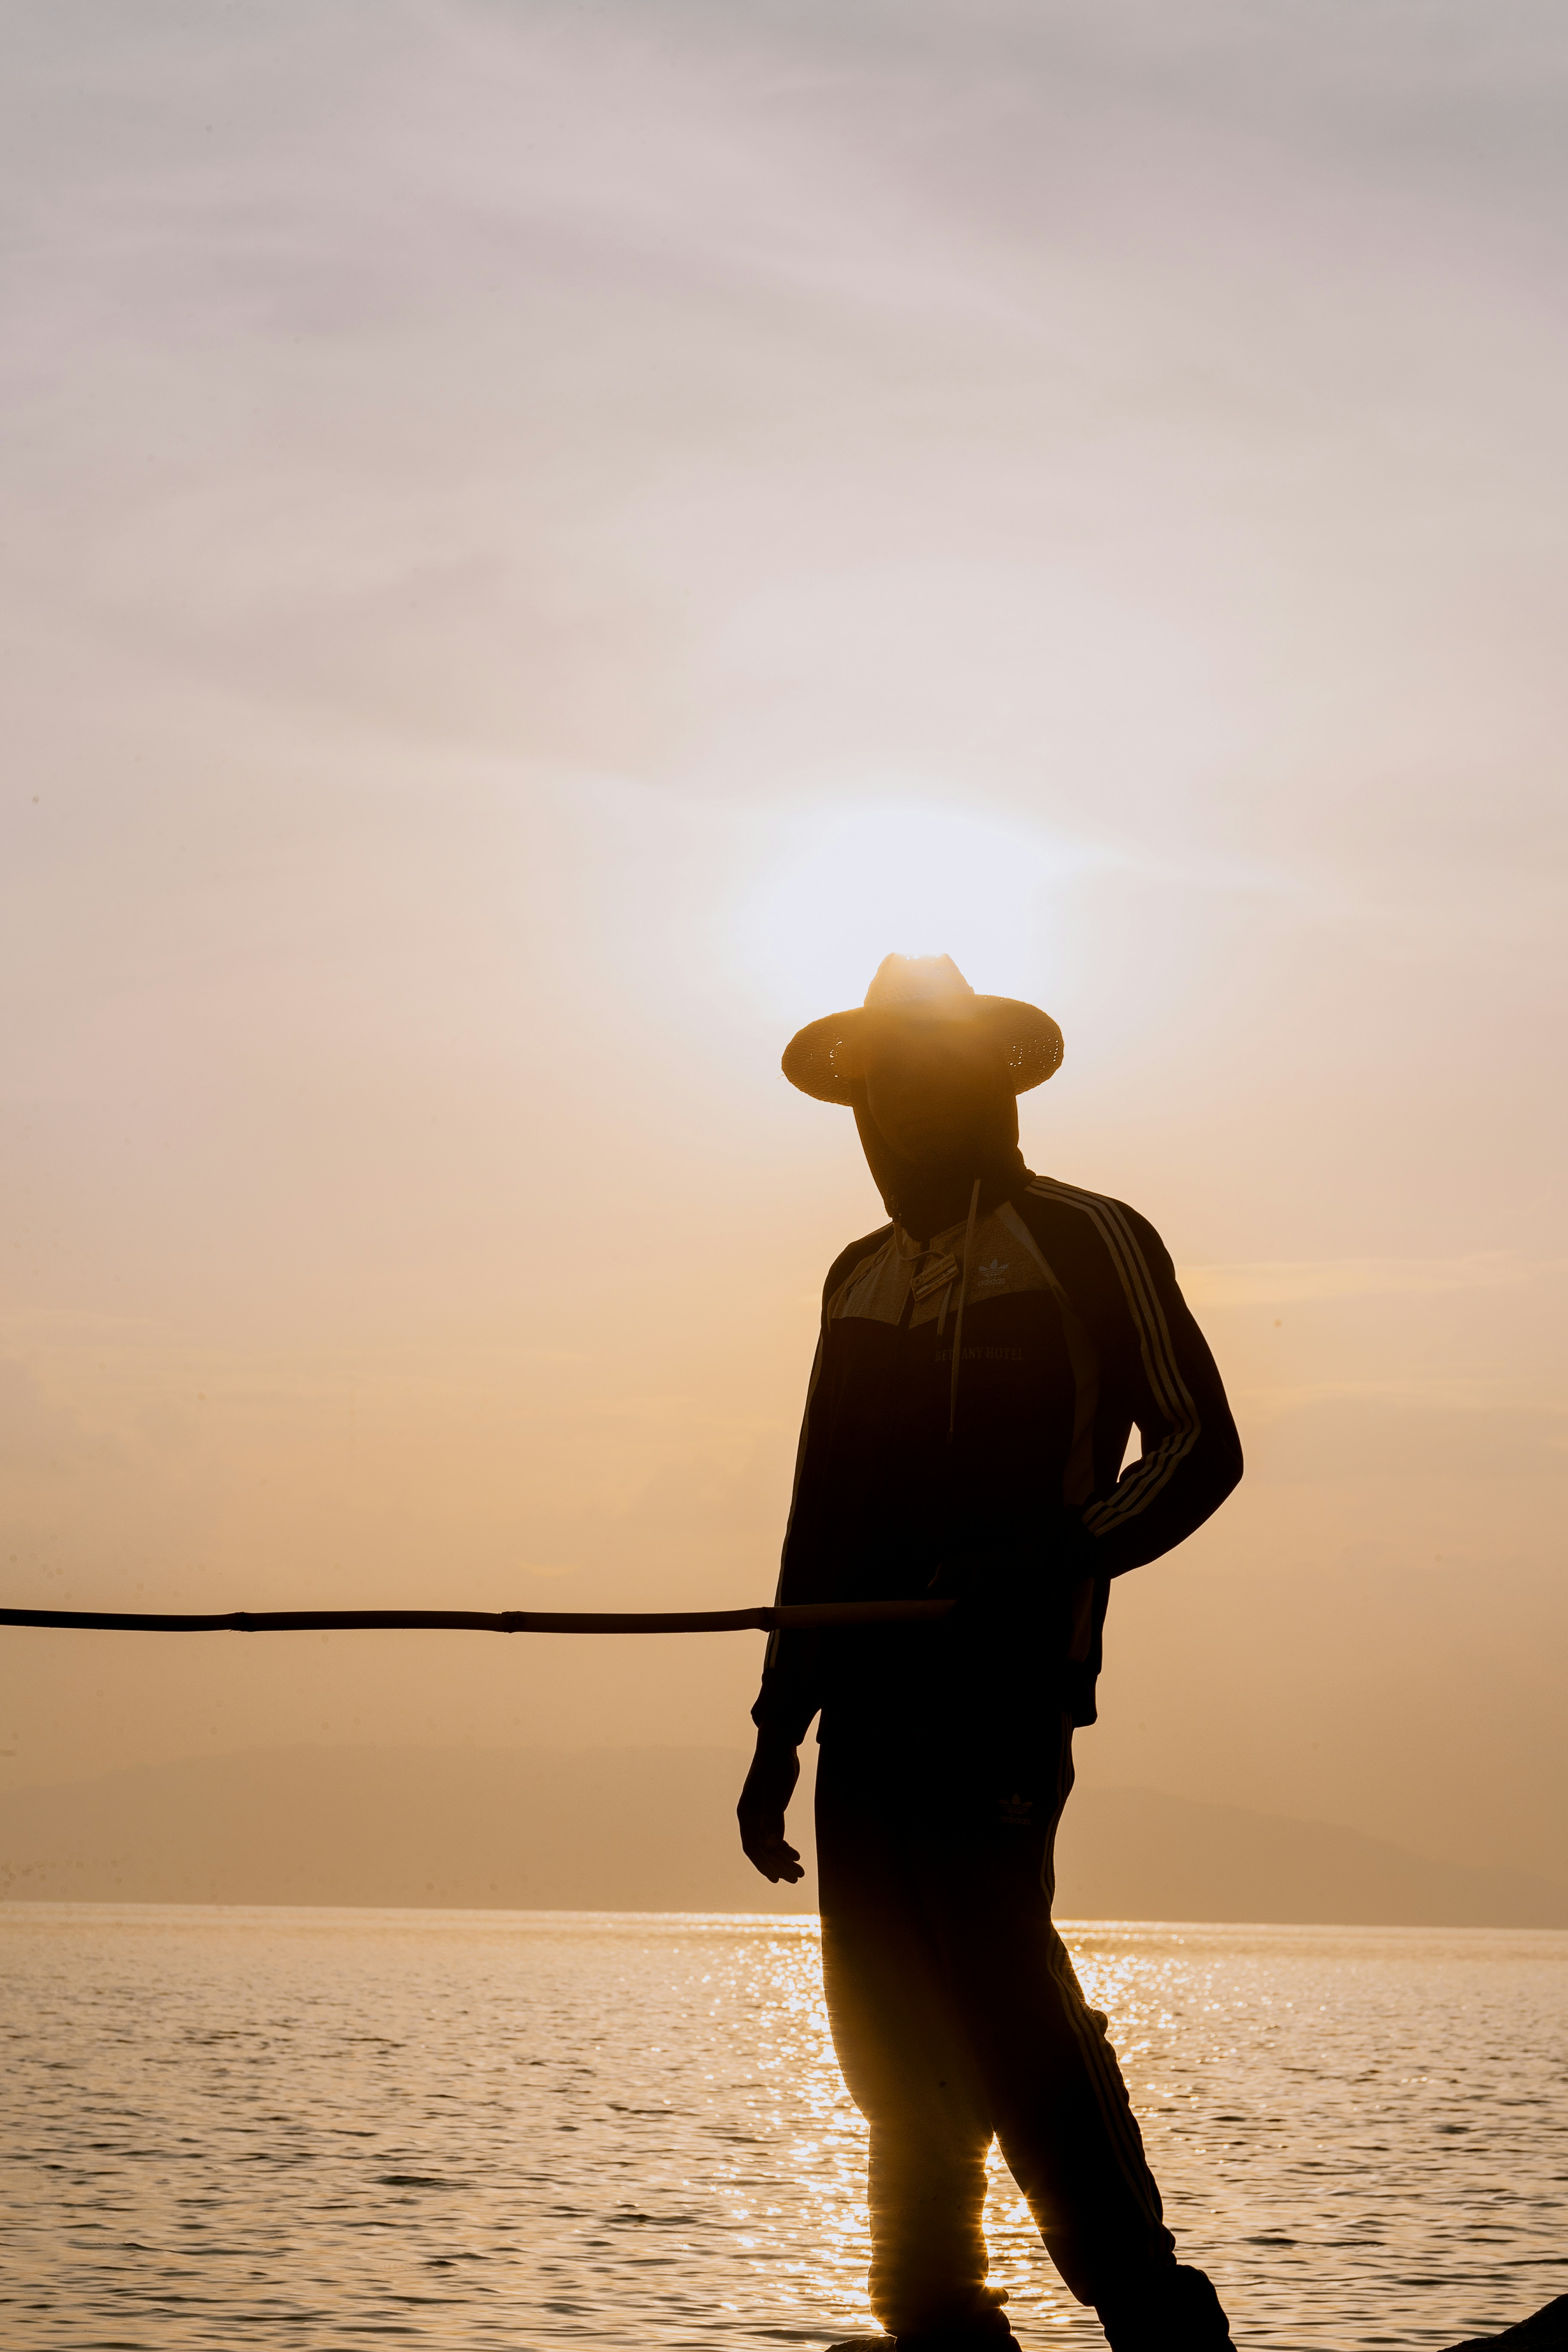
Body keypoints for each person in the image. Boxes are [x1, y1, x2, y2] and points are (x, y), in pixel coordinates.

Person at [737, 953, 1244, 2352]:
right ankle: (937, 2319)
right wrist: (780, 1727)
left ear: (985, 1087)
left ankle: (1150, 2309)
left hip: (1005, 1689)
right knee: (885, 2020)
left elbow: (1200, 1445)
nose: (893, 1112)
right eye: (874, 1089)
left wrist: (1053, 1554)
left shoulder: (1090, 1239)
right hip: (862, 1703)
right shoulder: (858, 1279)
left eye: (919, 1080)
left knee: (1008, 1996)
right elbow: (817, 1519)